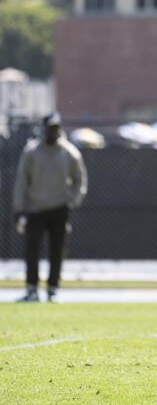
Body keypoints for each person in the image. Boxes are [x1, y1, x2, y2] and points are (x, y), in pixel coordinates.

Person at [12, 113, 88, 302]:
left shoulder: (68, 152)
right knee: (32, 249)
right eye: (49, 128)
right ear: (43, 129)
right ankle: (31, 289)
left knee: (57, 250)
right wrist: (19, 208)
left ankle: (53, 288)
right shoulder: (31, 152)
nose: (52, 132)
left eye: (55, 128)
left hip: (59, 208)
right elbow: (22, 181)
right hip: (35, 208)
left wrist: (73, 200)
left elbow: (80, 179)